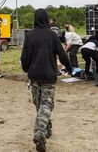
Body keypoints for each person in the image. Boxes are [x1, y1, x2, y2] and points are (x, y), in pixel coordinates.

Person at [20, 9, 72, 152]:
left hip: (34, 75)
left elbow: (24, 57)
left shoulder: (30, 35)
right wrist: (69, 67)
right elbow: (62, 54)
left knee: (39, 104)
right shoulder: (52, 35)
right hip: (49, 76)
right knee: (46, 105)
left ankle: (46, 129)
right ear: (47, 19)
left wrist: (27, 69)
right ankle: (39, 132)